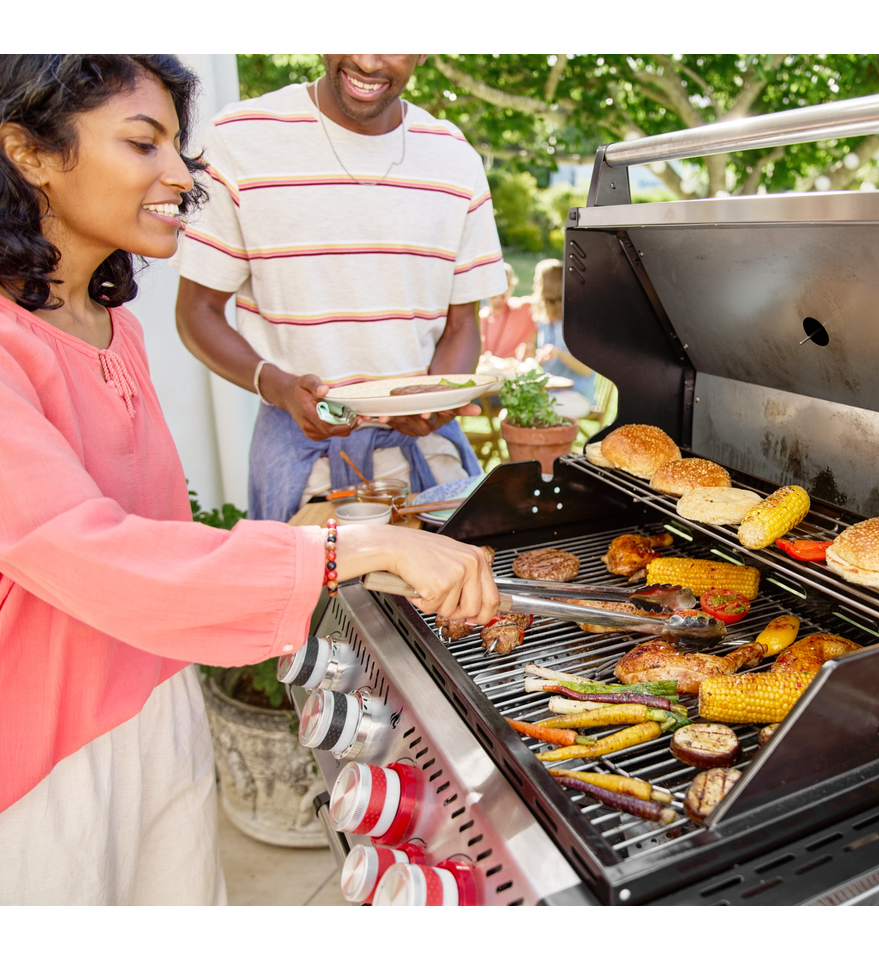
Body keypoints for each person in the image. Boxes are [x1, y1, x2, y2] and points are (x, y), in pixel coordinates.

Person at [0, 54, 498, 905]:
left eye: (176, 147)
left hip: (159, 701)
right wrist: (349, 545)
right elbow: (88, 554)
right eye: (143, 144)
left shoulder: (108, 325)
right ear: (29, 151)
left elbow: (158, 539)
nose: (185, 177)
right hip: (45, 751)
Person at [175, 55, 509, 522]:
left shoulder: (455, 159)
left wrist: (436, 406)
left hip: (426, 455)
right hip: (304, 457)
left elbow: (461, 326)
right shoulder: (240, 138)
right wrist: (280, 387)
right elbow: (197, 313)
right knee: (321, 595)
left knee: (450, 591)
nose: (368, 61)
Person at [531, 258, 595, 420]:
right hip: (550, 393)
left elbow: (587, 370)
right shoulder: (544, 322)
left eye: (537, 282)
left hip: (577, 396)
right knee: (515, 409)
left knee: (532, 410)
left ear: (550, 286)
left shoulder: (575, 322)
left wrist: (560, 354)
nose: (534, 287)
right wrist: (533, 355)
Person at [480, 262, 536, 359]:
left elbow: (548, 299)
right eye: (494, 285)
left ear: (511, 286)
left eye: (504, 284)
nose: (499, 291)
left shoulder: (524, 308)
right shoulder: (480, 318)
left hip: (517, 370)